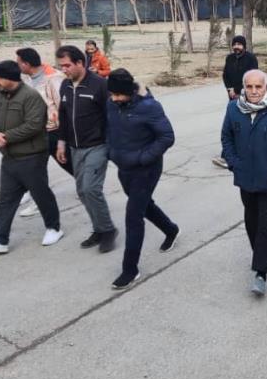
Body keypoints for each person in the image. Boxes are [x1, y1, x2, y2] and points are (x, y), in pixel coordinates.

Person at [0, 61, 63, 254]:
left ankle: (53, 228)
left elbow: (34, 124)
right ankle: (0, 239)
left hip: (32, 156)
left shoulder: (31, 96)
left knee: (41, 194)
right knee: (6, 199)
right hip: (9, 158)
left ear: (9, 78)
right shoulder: (1, 96)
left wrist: (6, 137)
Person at [221, 69, 267, 296]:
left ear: (266, 87)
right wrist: (233, 162)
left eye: (258, 87)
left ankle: (261, 273)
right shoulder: (234, 108)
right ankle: (265, 254)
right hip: (245, 178)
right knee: (252, 221)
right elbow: (226, 137)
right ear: (244, 87)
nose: (254, 91)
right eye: (249, 87)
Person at [106, 69, 179, 290]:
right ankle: (171, 229)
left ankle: (130, 269)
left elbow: (167, 136)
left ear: (130, 91)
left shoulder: (149, 107)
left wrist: (143, 157)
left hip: (146, 169)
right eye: (112, 94)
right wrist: (110, 151)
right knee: (145, 206)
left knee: (133, 215)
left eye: (119, 94)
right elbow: (109, 129)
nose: (115, 98)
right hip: (123, 167)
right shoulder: (112, 104)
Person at [56, 45, 118, 253]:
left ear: (80, 63)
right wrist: (61, 142)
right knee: (82, 191)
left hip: (97, 146)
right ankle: (99, 229)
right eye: (61, 66)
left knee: (92, 188)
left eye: (67, 65)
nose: (64, 70)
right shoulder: (65, 85)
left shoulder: (99, 85)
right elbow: (63, 115)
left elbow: (112, 116)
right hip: (75, 147)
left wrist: (112, 145)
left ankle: (108, 230)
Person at [16, 47, 72, 218]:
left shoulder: (53, 79)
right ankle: (37, 200)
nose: (17, 65)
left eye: (19, 62)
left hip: (52, 131)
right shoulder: (26, 79)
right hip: (36, 132)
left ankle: (88, 186)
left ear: (26, 64)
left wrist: (61, 133)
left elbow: (62, 107)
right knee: (35, 169)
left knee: (69, 165)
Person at [214, 35, 259, 168]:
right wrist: (230, 89)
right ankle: (228, 156)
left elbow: (253, 77)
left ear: (244, 46)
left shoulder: (251, 58)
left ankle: (228, 156)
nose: (236, 47)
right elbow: (225, 75)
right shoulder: (229, 58)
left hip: (247, 97)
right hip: (232, 97)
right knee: (230, 126)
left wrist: (239, 90)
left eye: (239, 45)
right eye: (235, 44)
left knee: (241, 126)